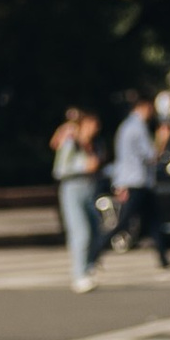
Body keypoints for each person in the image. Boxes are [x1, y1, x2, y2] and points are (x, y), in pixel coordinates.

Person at [111, 89, 170, 269]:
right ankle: (95, 251)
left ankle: (164, 260)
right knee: (124, 223)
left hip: (137, 182)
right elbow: (151, 156)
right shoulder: (137, 128)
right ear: (144, 107)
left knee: (154, 223)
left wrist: (119, 182)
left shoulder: (127, 126)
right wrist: (162, 139)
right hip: (137, 183)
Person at [50, 106, 105, 291]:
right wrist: (83, 166)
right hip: (72, 190)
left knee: (96, 232)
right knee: (81, 233)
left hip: (90, 191)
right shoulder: (70, 142)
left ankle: (89, 268)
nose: (94, 129)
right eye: (90, 125)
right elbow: (59, 170)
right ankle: (79, 275)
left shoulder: (94, 145)